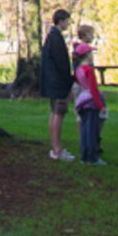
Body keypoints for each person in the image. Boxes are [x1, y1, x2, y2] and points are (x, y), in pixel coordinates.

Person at [41, 9, 75, 161]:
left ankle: (55, 147)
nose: (68, 24)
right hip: (58, 83)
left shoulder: (51, 36)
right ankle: (57, 148)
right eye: (67, 21)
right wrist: (68, 82)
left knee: (54, 113)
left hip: (52, 82)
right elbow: (62, 63)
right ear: (61, 21)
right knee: (58, 114)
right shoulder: (56, 38)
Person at [72, 43, 106, 165]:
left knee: (85, 129)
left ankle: (84, 155)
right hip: (90, 101)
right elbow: (93, 89)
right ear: (87, 55)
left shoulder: (78, 70)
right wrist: (100, 105)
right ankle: (92, 156)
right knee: (92, 130)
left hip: (82, 100)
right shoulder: (89, 70)